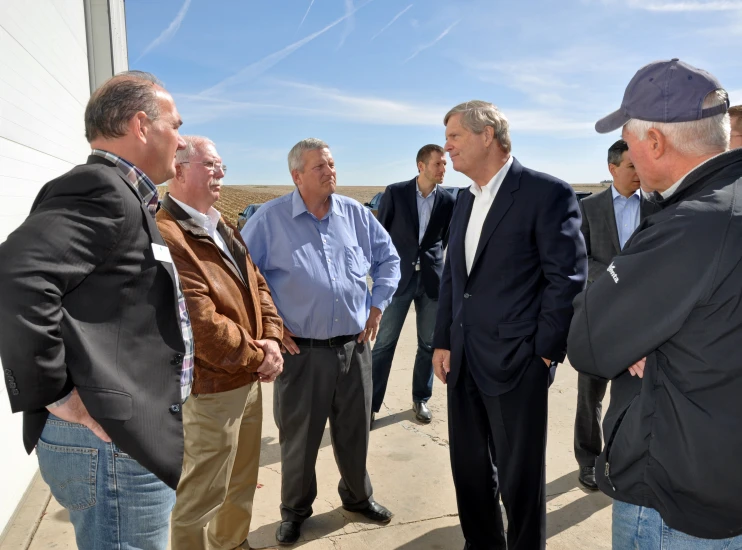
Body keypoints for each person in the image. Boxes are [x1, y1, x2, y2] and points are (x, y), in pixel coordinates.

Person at [0, 71, 192, 549]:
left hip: (120, 443)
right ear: (141, 126)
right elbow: (16, 278)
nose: (182, 139)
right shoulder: (101, 188)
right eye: (176, 124)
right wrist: (56, 394)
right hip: (111, 446)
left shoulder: (125, 195)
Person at [568, 58, 742, 549]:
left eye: (628, 141)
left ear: (656, 142)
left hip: (675, 504)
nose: (628, 157)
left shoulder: (690, 225)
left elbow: (589, 342)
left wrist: (647, 334)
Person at [432, 100, 587, 549]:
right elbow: (453, 278)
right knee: (470, 473)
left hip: (518, 363)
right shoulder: (464, 199)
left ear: (487, 136)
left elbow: (568, 279)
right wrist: (442, 340)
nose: (448, 148)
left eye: (455, 136)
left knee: (520, 482)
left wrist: (543, 352)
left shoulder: (546, 193)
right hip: (462, 361)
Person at [241, 138, 401, 545]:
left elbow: (389, 259)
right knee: (299, 439)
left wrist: (377, 304)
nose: (330, 170)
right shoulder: (269, 219)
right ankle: (294, 511)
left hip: (354, 347)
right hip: (302, 355)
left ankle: (358, 497)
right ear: (297, 176)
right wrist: (269, 326)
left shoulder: (354, 214)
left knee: (354, 433)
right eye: (320, 166)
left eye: (331, 163)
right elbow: (243, 278)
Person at [156, 136, 284, 550]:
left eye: (222, 165)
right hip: (212, 387)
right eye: (211, 165)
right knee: (203, 494)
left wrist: (273, 339)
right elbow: (201, 323)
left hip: (246, 377)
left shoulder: (220, 224)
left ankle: (232, 543)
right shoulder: (167, 233)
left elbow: (257, 283)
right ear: (179, 169)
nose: (222, 173)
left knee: (241, 481)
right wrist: (258, 357)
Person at [573, 139, 659, 490]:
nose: (638, 173)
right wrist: (618, 276)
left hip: (644, 321)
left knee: (634, 394)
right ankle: (588, 461)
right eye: (630, 166)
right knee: (590, 394)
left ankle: (622, 458)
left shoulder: (656, 206)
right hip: (601, 317)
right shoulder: (587, 207)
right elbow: (579, 257)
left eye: (640, 166)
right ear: (612, 169)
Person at [371, 144, 454, 425]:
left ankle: (421, 399)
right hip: (398, 280)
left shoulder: (448, 200)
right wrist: (380, 275)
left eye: (445, 164)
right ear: (421, 166)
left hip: (431, 281)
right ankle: (369, 404)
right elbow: (380, 236)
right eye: (438, 164)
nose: (444, 169)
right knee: (384, 343)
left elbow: (444, 241)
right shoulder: (395, 193)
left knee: (429, 344)